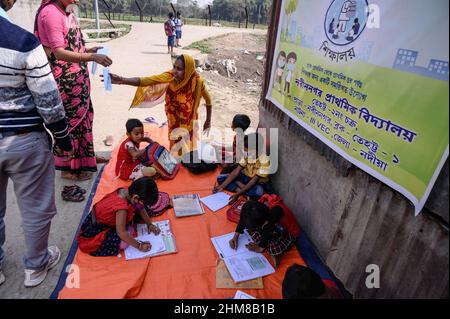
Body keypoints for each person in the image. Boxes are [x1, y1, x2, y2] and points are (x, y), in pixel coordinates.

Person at [1, 0, 73, 287]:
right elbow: (48, 99)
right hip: (24, 140)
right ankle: (35, 266)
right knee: (35, 207)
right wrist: (63, 137)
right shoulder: (22, 42)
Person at [34, 0, 113, 181]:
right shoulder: (51, 14)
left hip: (77, 78)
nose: (78, 0)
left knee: (84, 118)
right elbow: (60, 52)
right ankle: (67, 168)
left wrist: (88, 49)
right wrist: (92, 57)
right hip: (65, 80)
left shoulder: (66, 12)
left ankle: (86, 159)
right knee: (70, 123)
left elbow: (72, 46)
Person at [108, 54, 212, 151]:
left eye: (179, 69)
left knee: (188, 152)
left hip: (189, 122)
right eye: (174, 67)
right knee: (175, 151)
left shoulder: (197, 83)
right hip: (173, 120)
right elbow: (148, 80)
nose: (174, 71)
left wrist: (208, 121)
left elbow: (208, 100)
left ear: (188, 70)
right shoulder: (171, 76)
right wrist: (122, 80)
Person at [78, 177, 161, 257]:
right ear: (135, 197)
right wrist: (139, 246)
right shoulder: (121, 209)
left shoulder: (127, 191)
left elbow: (141, 209)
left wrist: (150, 224)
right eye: (143, 203)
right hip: (95, 230)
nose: (143, 206)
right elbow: (122, 233)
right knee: (123, 242)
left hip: (103, 218)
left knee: (141, 209)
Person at [228, 200, 296, 266]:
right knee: (249, 227)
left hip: (287, 233)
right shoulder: (256, 208)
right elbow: (243, 219)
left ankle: (273, 251)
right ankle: (264, 244)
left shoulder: (276, 212)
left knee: (273, 249)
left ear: (264, 222)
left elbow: (268, 230)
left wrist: (260, 249)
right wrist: (235, 236)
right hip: (269, 227)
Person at [213, 132, 270, 203]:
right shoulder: (247, 156)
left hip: (257, 182)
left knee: (258, 192)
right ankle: (244, 193)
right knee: (220, 178)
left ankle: (238, 186)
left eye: (246, 151)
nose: (244, 152)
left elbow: (254, 181)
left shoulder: (265, 161)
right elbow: (236, 171)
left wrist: (237, 194)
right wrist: (221, 186)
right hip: (245, 178)